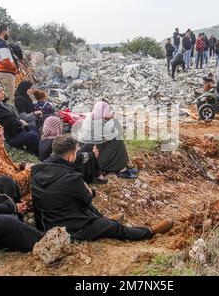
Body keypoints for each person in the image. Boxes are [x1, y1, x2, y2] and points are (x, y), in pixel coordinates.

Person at [31, 136, 174, 241]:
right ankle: (149, 231)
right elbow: (87, 198)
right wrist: (89, 190)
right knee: (114, 228)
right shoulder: (71, 178)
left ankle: (104, 220)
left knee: (84, 207)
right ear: (70, 157)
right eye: (77, 152)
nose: (78, 154)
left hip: (46, 223)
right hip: (70, 230)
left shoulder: (38, 169)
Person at [76, 101, 138, 179]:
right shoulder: (103, 125)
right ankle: (121, 170)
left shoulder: (90, 116)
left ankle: (122, 166)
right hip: (93, 151)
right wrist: (113, 118)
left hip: (85, 146)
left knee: (113, 140)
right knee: (118, 142)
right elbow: (118, 132)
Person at [0, 121, 34, 205]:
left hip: (16, 185)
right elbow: (13, 184)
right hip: (13, 198)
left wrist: (22, 165)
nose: (3, 139)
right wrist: (28, 171)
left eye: (3, 134)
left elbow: (7, 166)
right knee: (42, 193)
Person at [39, 116, 106, 184]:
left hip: (53, 167)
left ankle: (98, 173)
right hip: (62, 169)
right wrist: (92, 154)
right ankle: (97, 175)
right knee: (90, 148)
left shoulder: (44, 138)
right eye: (59, 125)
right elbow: (75, 158)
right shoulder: (54, 141)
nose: (61, 127)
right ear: (55, 127)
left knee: (88, 148)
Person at [0, 82, 40, 156]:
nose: (3, 93)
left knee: (33, 128)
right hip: (3, 138)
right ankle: (34, 156)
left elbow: (10, 119)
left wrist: (21, 124)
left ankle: (34, 153)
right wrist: (22, 124)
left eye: (2, 90)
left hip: (9, 132)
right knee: (32, 136)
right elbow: (9, 121)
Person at [0, 23, 17, 103]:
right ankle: (8, 114)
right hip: (7, 73)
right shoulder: (1, 44)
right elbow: (6, 61)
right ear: (3, 32)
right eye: (7, 31)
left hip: (2, 72)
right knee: (9, 98)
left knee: (5, 96)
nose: (8, 33)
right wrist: (14, 68)